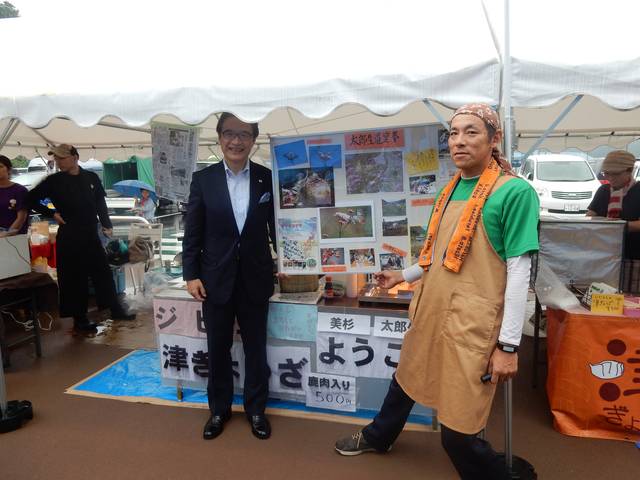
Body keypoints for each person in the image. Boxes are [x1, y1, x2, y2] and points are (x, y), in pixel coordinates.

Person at [334, 104, 540, 480]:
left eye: (471, 132)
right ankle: (380, 436)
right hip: (431, 307)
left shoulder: (514, 193)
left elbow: (519, 271)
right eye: (454, 132)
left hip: (472, 320)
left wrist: (509, 346)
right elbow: (437, 256)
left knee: (458, 432)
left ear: (495, 139)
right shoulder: (449, 189)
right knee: (407, 377)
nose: (459, 141)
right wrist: (402, 276)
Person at [182, 113, 276, 441]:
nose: (236, 141)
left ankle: (255, 410)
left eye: (244, 135)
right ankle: (219, 410)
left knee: (256, 349)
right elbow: (192, 232)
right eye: (229, 134)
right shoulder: (203, 179)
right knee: (217, 348)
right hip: (214, 281)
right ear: (219, 137)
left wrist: (295, 261)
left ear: (254, 140)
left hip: (256, 277)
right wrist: (190, 274)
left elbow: (278, 229)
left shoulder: (267, 178)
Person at [23, 144, 135, 332]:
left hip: (91, 233)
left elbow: (100, 202)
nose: (58, 162)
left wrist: (107, 224)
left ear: (75, 157)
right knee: (74, 277)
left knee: (103, 272)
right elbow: (31, 199)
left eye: (62, 158)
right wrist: (52, 212)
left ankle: (114, 308)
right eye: (56, 158)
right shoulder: (54, 181)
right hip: (69, 234)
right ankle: (79, 318)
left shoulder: (91, 177)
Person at [587, 151, 640, 290]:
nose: (610, 178)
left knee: (631, 299)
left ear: (630, 170)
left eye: (615, 174)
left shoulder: (638, 190)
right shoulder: (603, 191)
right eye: (607, 173)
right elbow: (590, 217)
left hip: (634, 257)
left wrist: (615, 226)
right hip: (605, 256)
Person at [0, 155, 28, 237]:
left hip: (16, 240)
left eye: (0, 166)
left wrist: (5, 235)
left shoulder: (20, 190)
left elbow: (21, 218)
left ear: (9, 169)